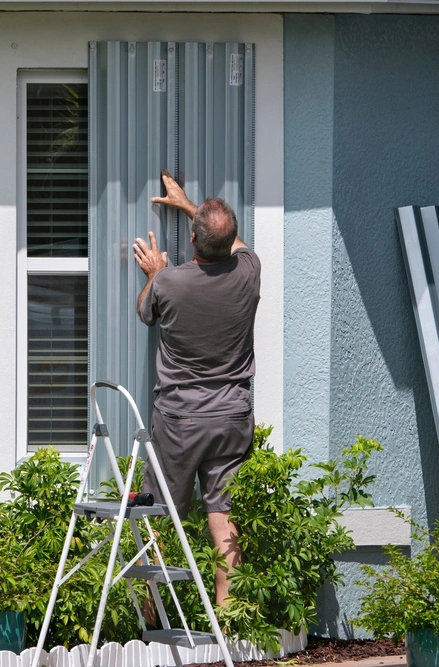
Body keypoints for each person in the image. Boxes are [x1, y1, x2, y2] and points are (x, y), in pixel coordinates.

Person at [133, 170, 261, 607]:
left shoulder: (169, 282)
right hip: (231, 416)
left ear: (191, 239)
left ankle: (154, 616)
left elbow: (143, 311)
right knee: (223, 518)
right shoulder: (249, 270)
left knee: (161, 511)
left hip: (180, 421)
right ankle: (229, 618)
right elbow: (236, 245)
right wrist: (193, 207)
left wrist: (154, 271)